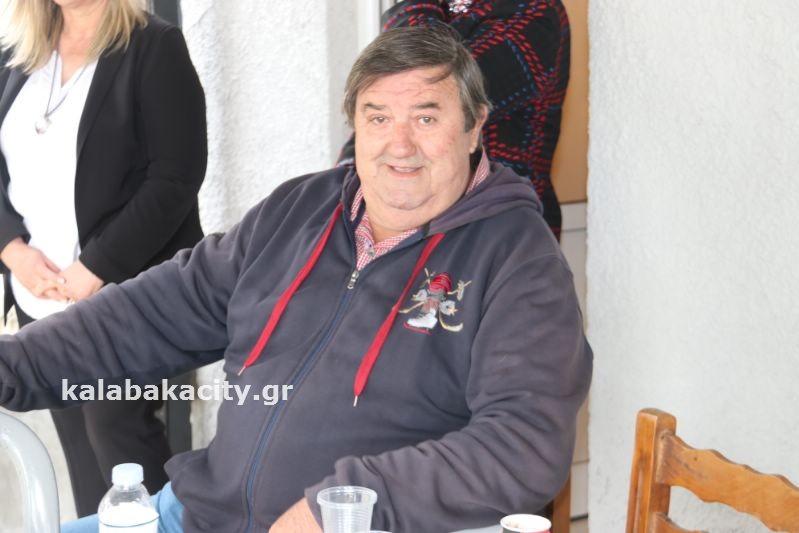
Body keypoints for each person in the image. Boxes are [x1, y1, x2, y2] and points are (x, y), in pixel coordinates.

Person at [0, 26, 590, 532]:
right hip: (197, 514)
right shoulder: (300, 211)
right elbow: (150, 314)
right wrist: (13, 367)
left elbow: (523, 445)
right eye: (378, 117)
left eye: (426, 117)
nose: (400, 144)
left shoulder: (517, 259)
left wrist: (350, 502)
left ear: (474, 126)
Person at [0, 0, 206, 517]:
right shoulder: (14, 54)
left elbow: (176, 176)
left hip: (123, 296)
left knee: (119, 442)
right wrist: (11, 250)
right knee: (81, 453)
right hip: (39, 297)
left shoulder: (153, 47)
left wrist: (96, 268)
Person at [340, 0, 570, 240]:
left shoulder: (534, 12)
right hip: (409, 222)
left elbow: (425, 76)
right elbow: (393, 97)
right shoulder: (435, 8)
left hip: (496, 230)